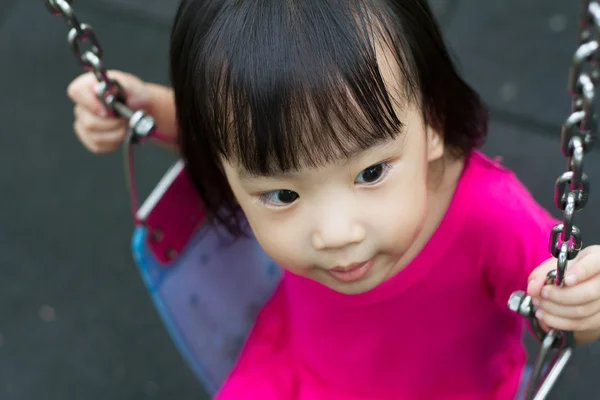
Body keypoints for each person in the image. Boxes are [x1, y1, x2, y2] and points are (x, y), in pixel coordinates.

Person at [67, 0, 600, 398]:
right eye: (282, 192)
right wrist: (144, 109)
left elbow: (563, 312)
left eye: (370, 172)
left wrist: (583, 304)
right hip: (298, 375)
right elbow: (216, 136)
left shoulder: (490, 215)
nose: (335, 234)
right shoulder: (246, 151)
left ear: (433, 120)